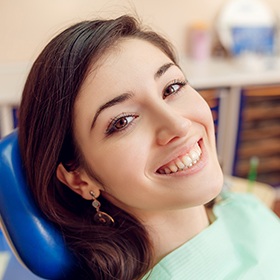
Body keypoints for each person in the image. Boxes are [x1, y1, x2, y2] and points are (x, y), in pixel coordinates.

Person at [18, 15, 280, 280]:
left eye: (172, 88)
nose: (178, 125)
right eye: (123, 121)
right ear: (79, 179)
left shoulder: (234, 205)